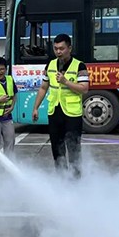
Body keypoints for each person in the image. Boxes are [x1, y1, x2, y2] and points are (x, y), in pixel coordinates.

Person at [32, 34, 89, 178]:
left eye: (62, 48)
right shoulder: (50, 65)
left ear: (69, 48)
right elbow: (43, 88)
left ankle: (76, 181)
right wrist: (36, 107)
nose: (58, 52)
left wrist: (65, 81)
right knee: (57, 148)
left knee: (73, 148)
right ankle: (61, 179)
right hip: (54, 112)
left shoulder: (80, 66)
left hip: (72, 114)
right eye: (56, 48)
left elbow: (84, 88)